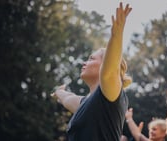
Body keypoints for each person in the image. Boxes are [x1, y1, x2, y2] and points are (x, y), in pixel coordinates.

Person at [52, 2, 132, 141]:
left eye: (91, 59)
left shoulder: (109, 94)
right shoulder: (86, 102)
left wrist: (116, 35)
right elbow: (67, 98)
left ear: (105, 64)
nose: (84, 62)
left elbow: (109, 72)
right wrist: (59, 92)